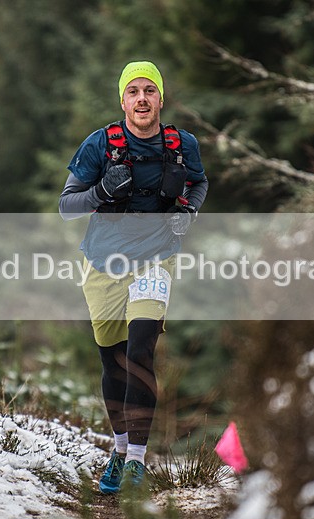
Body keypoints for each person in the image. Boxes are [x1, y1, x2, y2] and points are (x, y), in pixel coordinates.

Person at [58, 61, 208, 494]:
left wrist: (187, 211)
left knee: (141, 351)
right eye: (133, 92)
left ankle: (137, 463)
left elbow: (198, 183)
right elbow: (67, 207)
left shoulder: (183, 144)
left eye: (149, 91)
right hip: (103, 262)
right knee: (114, 361)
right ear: (122, 100)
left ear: (161, 98)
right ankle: (119, 450)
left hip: (156, 260)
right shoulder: (100, 145)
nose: (142, 99)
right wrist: (102, 192)